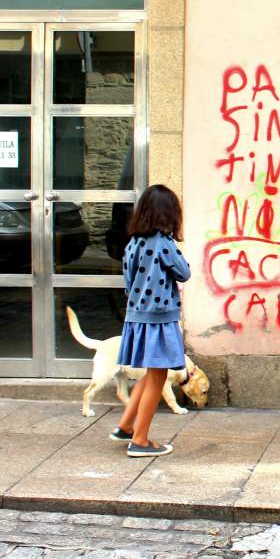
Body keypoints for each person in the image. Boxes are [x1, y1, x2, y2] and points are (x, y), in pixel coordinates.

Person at [110, 184, 192, 457]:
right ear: (169, 214)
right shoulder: (163, 244)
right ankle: (141, 440)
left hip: (136, 317)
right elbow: (184, 273)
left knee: (151, 372)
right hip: (160, 319)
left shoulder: (132, 243)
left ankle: (125, 426)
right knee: (158, 375)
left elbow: (128, 282)